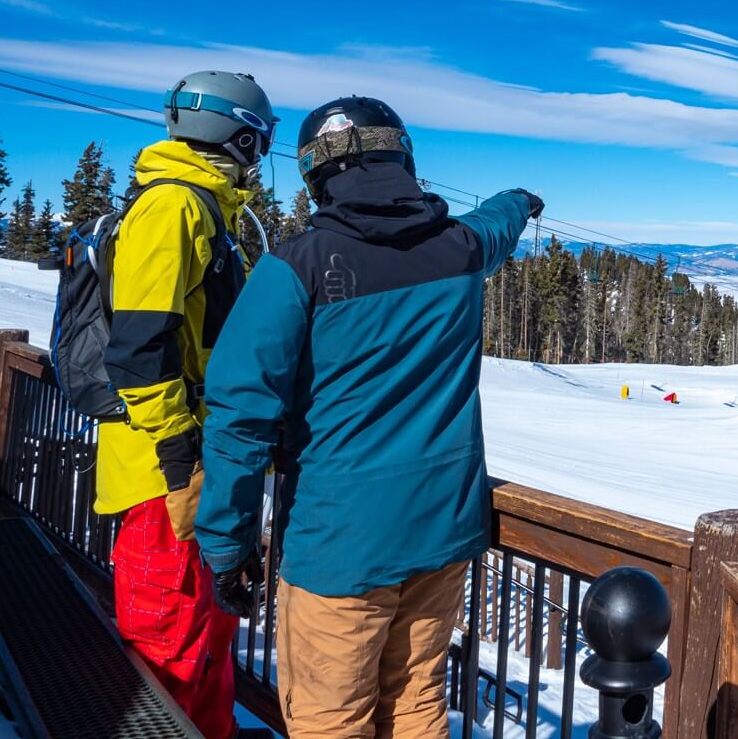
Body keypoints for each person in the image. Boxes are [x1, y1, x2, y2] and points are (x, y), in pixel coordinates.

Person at [195, 96, 541, 739]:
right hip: (442, 531)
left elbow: (240, 417)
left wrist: (225, 546)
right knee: (415, 705)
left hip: (339, 545)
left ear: (316, 174)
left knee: (332, 721)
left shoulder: (294, 266)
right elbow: (496, 225)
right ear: (401, 154)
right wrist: (520, 200)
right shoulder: (459, 248)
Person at [98, 71, 277, 739]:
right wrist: (180, 456)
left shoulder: (202, 205)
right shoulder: (174, 206)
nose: (258, 158)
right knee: (168, 646)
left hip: (202, 464)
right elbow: (139, 349)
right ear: (236, 135)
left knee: (208, 634)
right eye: (257, 141)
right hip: (168, 474)